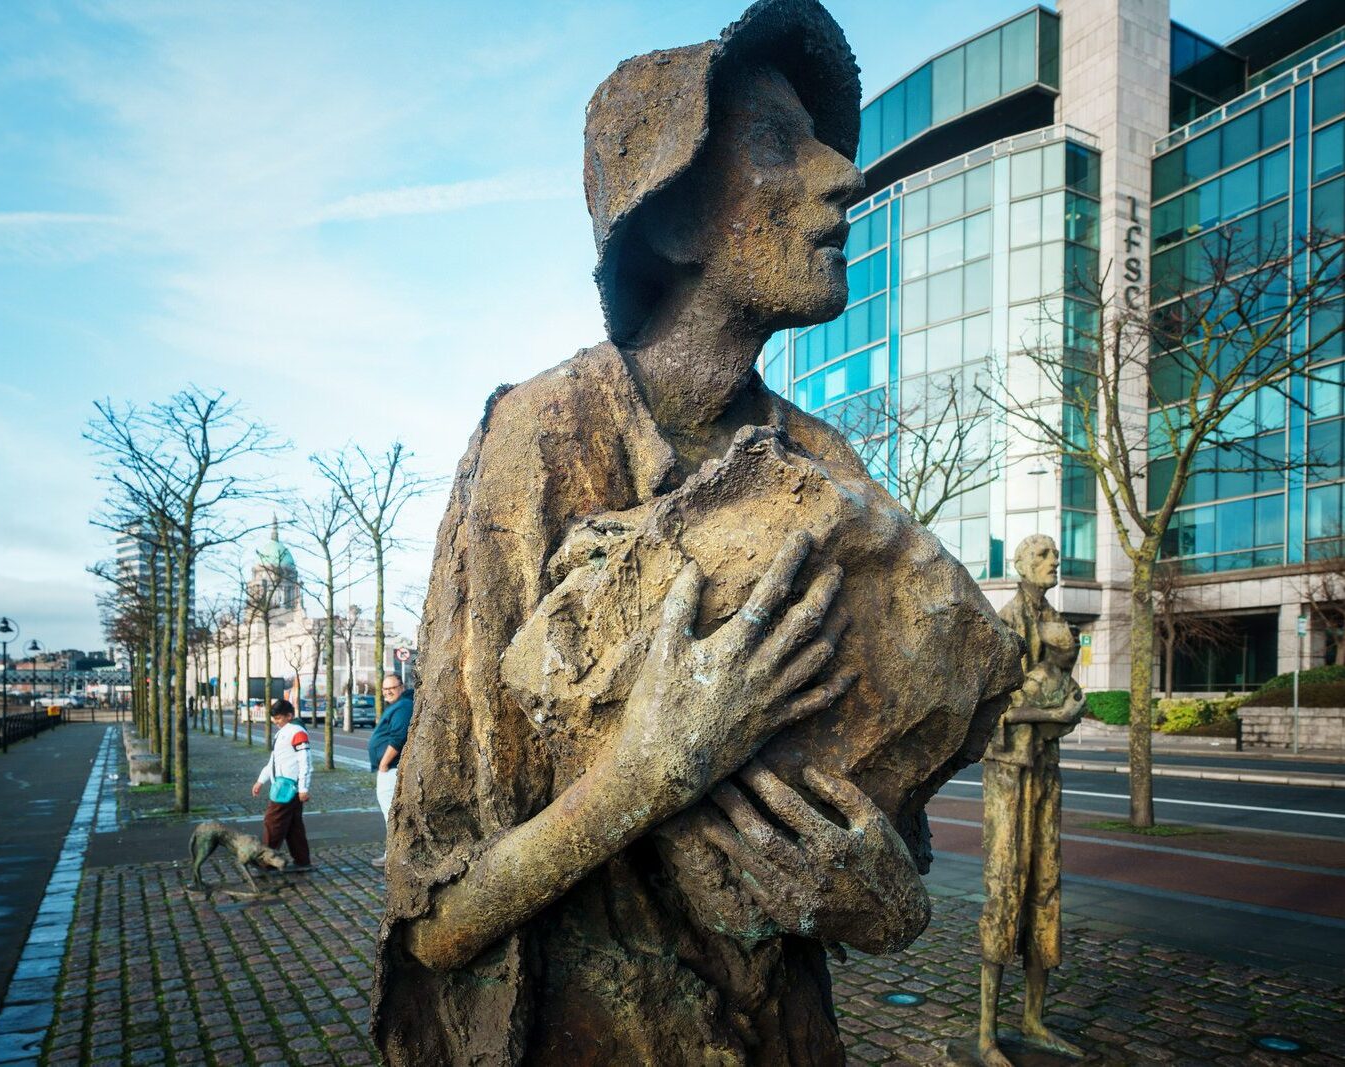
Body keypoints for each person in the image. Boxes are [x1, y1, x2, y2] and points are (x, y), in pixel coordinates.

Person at [371, 2, 1016, 1062]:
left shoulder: (829, 475)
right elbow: (439, 923)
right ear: (667, 213)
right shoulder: (537, 439)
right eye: (776, 143)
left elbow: (893, 850)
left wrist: (884, 898)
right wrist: (652, 771)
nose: (843, 175)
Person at [976, 535, 1087, 1065]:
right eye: (1042, 556)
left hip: (1045, 771)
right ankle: (986, 1034)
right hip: (1008, 776)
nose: (1053, 562)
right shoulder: (1004, 622)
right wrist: (1051, 716)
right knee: (1006, 886)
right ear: (1020, 565)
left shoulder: (1057, 619)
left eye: (1054, 555)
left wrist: (1066, 713)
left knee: (1047, 885)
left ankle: (1034, 1019)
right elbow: (989, 712)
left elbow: (1064, 689)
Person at [251, 697, 313, 872]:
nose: (276, 722)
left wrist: (303, 788)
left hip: (287, 787)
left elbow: (305, 761)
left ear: (289, 715)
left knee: (273, 823)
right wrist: (261, 780)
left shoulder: (296, 732)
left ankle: (265, 861)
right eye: (275, 718)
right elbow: (274, 761)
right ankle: (302, 860)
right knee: (294, 826)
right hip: (287, 785)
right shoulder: (287, 731)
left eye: (279, 718)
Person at [368, 674, 414, 869]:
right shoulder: (398, 706)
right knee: (391, 813)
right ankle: (394, 853)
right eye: (385, 689)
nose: (388, 692)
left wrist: (384, 763)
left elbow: (397, 737)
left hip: (391, 768)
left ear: (401, 687)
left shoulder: (403, 706)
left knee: (391, 813)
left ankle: (395, 855)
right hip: (389, 768)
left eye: (392, 688)